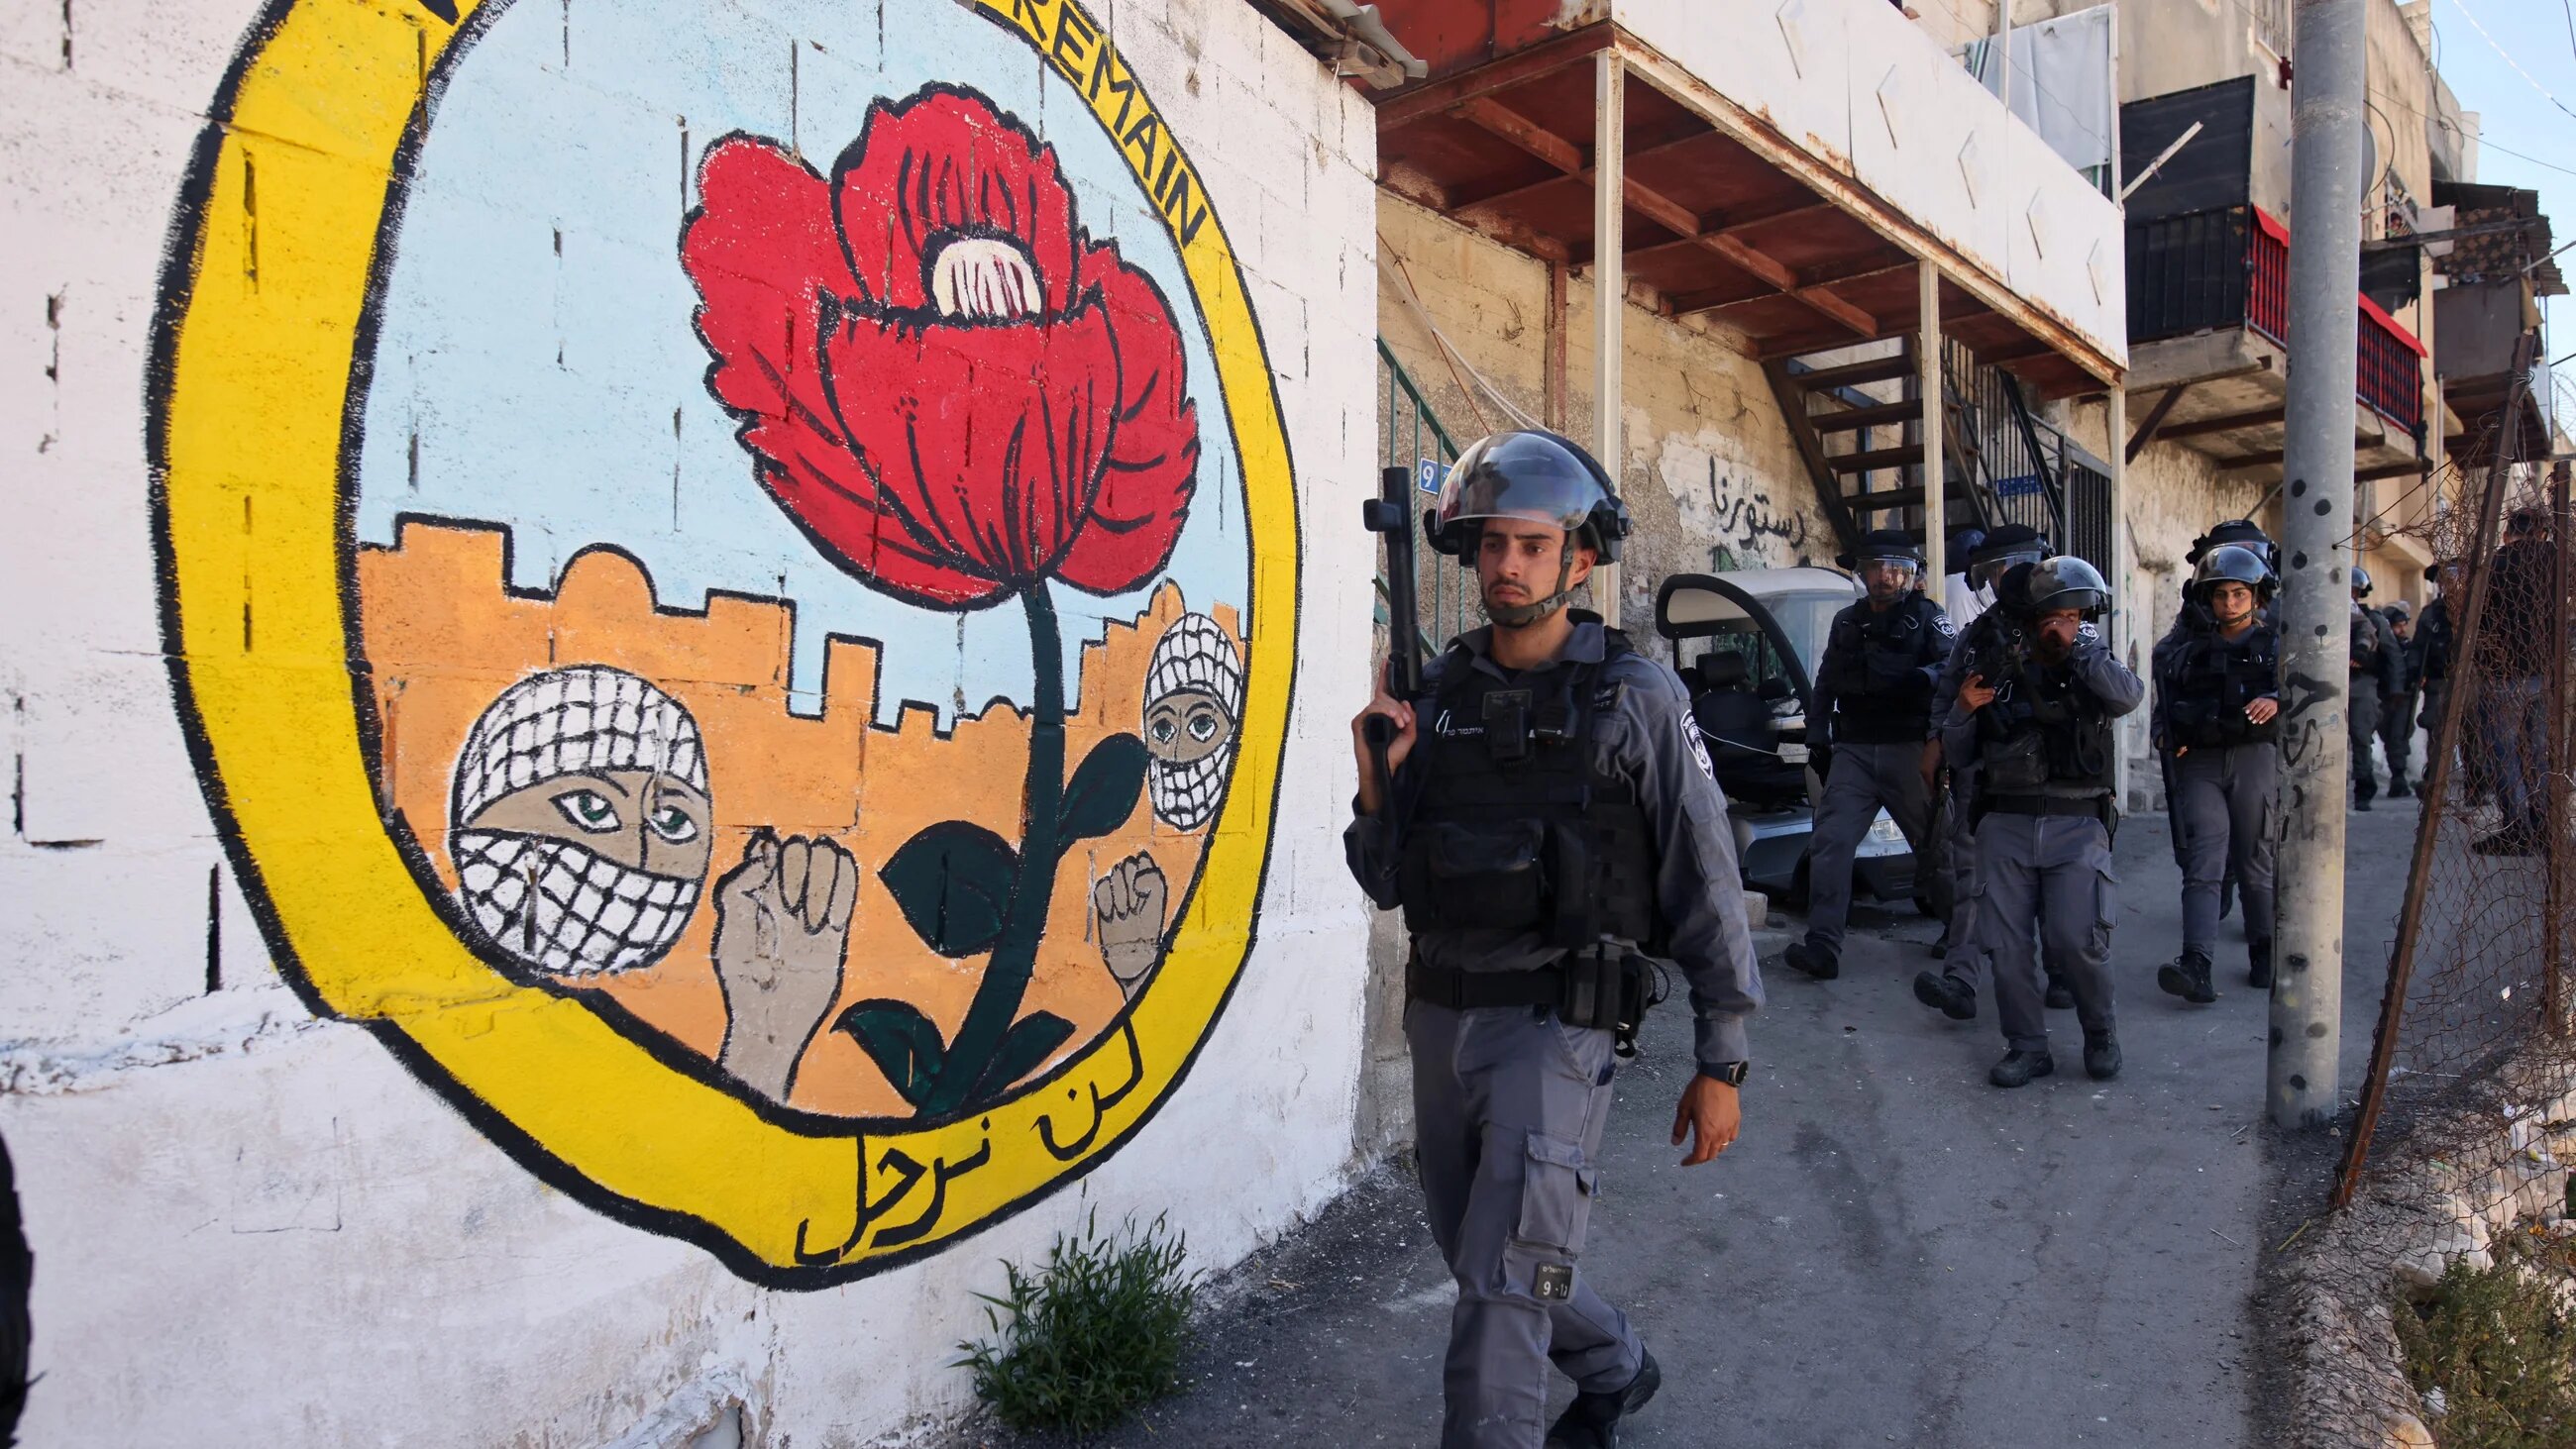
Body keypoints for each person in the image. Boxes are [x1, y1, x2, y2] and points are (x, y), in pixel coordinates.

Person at [1344, 429, 1763, 1449]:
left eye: (1531, 544)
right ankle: (1615, 1361)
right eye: (1490, 544)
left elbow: (1703, 880)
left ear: (1580, 557)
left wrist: (1723, 1057)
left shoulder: (1635, 699)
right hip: (1443, 1016)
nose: (1506, 566)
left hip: (1558, 1022)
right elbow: (1384, 879)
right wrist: (1376, 770)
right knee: (1479, 1247)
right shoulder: (1434, 699)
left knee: (1498, 1276)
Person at [1941, 556, 2144, 1087]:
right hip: (2004, 823)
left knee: (2076, 938)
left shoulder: (2091, 664)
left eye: (2076, 618)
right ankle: (2027, 1046)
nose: (2066, 625)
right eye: (2057, 617)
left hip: (2076, 825)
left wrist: (2080, 648)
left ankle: (2100, 1032)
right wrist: (1962, 710)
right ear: (2031, 619)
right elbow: (1960, 755)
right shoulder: (1997, 667)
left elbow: (2128, 696)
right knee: (2006, 949)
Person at [1783, 531, 1954, 982]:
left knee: (1935, 847)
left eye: (1895, 568)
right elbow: (1825, 681)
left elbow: (1955, 670)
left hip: (1909, 751)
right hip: (1854, 752)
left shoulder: (1929, 619)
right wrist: (1816, 733)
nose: (1885, 577)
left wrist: (1924, 679)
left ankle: (1962, 932)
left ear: (1910, 573)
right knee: (1830, 842)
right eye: (1875, 567)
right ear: (1862, 573)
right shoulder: (1846, 623)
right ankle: (1823, 945)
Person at [1912, 524, 2058, 1018]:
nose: (2001, 580)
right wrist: (1938, 740)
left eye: (2009, 568)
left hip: (2055, 780)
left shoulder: (2066, 619)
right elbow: (1948, 687)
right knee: (1971, 878)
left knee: (2054, 884)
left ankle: (2061, 975)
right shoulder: (1979, 632)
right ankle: (1961, 981)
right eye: (1992, 572)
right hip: (1989, 770)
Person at [2151, 546, 2281, 1000]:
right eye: (2221, 595)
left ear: (2256, 597)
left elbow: (2309, 698)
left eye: (2239, 594)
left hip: (2255, 759)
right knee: (2203, 865)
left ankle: (2265, 949)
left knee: (2254, 861)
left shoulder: (2276, 649)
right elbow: (2164, 705)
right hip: (2201, 762)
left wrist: (2278, 699)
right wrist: (2165, 736)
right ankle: (2196, 962)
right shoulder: (2185, 651)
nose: (2230, 603)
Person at [2476, 508, 2555, 855]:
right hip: (2546, 673)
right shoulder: (2559, 560)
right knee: (2538, 753)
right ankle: (2543, 827)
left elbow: (2477, 618)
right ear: (2542, 534)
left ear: (2509, 533)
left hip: (2504, 675)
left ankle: (2517, 829)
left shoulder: (2498, 563)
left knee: (2504, 753)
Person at [2347, 566, 2404, 812]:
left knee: (2360, 736)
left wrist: (2395, 689)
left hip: (2362, 683)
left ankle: (2364, 785)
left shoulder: (2373, 620)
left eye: (2354, 590)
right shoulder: (2319, 612)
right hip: (2325, 685)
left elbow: (2392, 656)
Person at [2379, 602, 2419, 799]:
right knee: (2390, 737)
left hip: (2404, 697)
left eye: (2404, 624)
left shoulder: (2407, 647)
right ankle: (2397, 778)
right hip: (2385, 698)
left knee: (2399, 736)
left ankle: (2399, 777)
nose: (2402, 629)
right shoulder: (2383, 647)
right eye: (2398, 626)